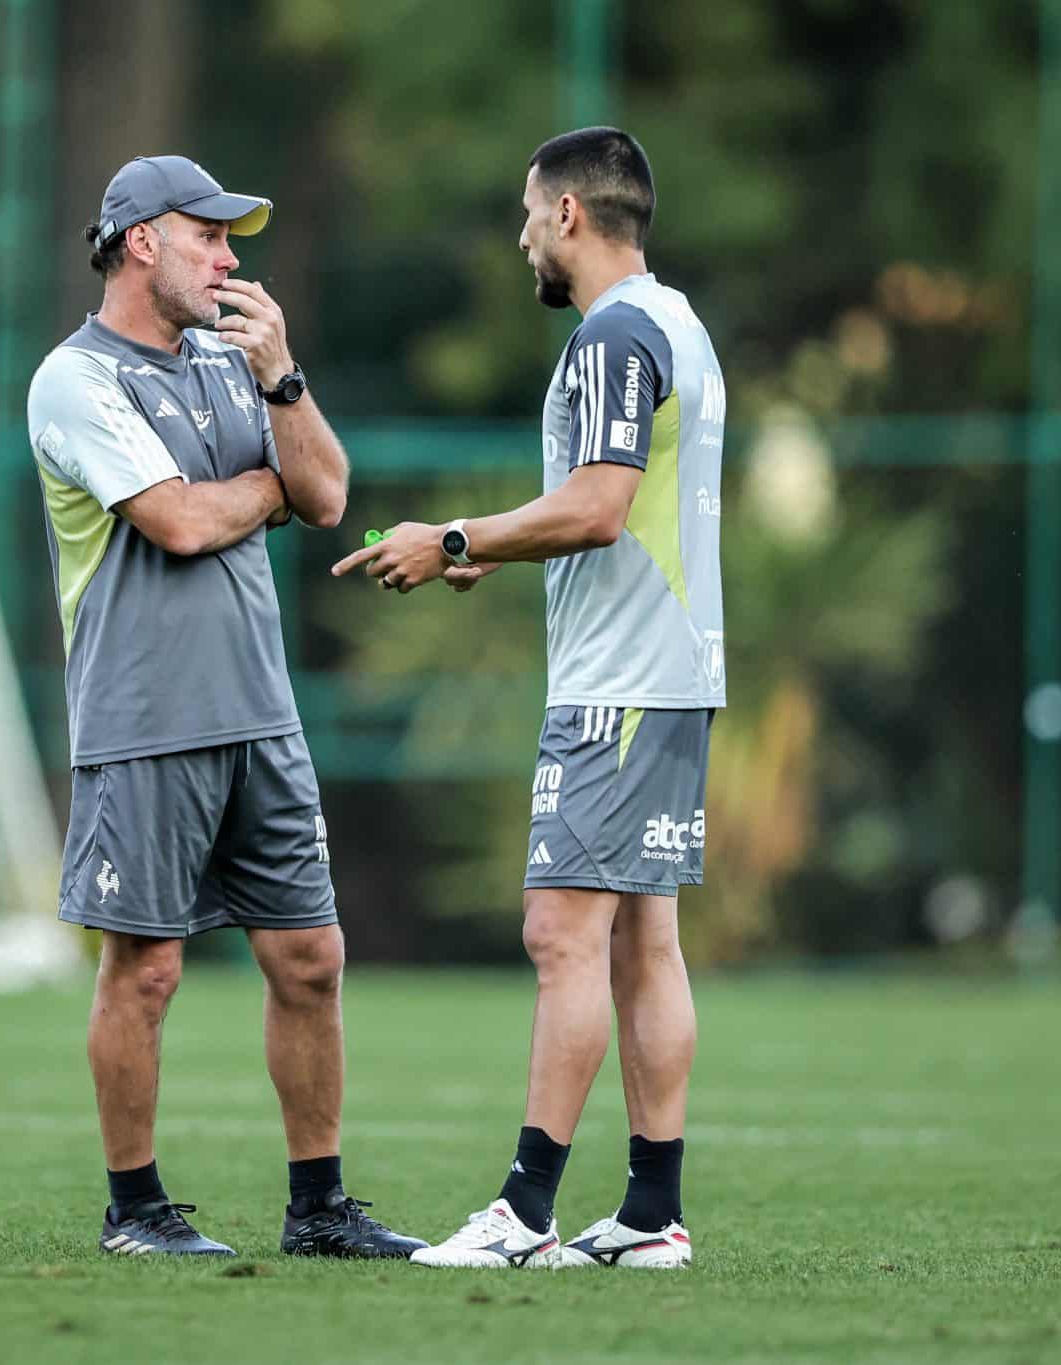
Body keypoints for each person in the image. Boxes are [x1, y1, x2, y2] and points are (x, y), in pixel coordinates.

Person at [333, 127, 725, 1270]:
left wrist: (452, 534)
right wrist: (494, 553)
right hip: (672, 675)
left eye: (524, 213)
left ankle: (523, 1214)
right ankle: (649, 1217)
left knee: (560, 934)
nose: (518, 238)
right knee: (642, 943)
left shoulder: (610, 334)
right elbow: (615, 511)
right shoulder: (678, 322)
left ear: (567, 214)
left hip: (618, 687)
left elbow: (599, 506)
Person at [27, 155, 425, 1261]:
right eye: (206, 235)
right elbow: (181, 523)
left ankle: (319, 1210)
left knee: (311, 960)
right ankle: (135, 1210)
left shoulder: (234, 360)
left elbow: (327, 494)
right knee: (146, 970)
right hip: (143, 720)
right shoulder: (74, 379)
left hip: (261, 714)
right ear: (140, 241)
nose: (227, 258)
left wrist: (283, 379)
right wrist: (266, 490)